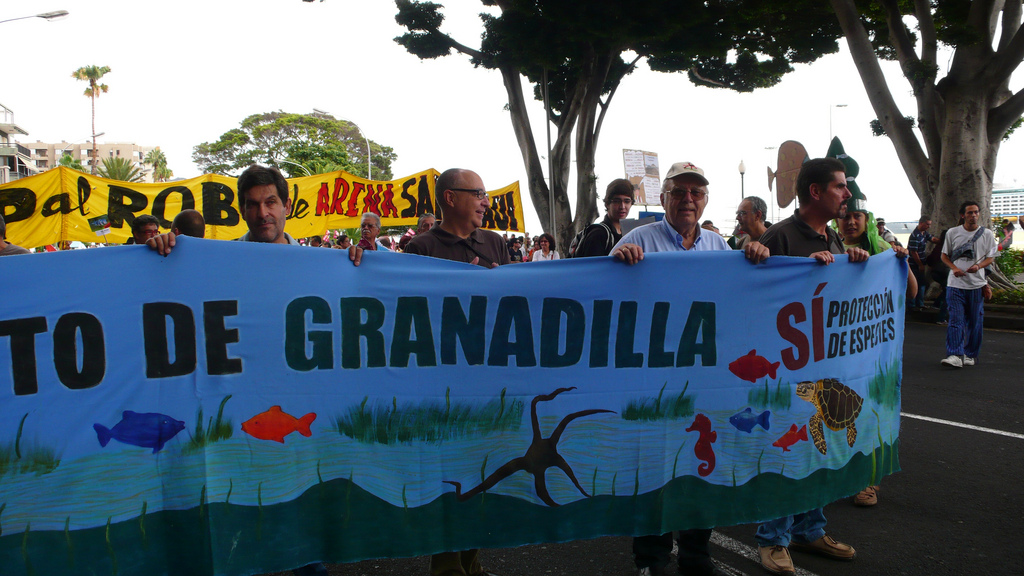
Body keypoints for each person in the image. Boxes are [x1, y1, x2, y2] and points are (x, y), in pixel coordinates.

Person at [612, 161, 768, 576]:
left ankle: (697, 555)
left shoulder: (719, 246)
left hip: (704, 379)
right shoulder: (638, 239)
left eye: (696, 193)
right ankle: (652, 559)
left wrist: (754, 255)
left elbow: (741, 296)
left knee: (704, 465)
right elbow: (604, 298)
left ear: (705, 200)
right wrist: (616, 262)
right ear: (663, 198)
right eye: (679, 192)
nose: (687, 199)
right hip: (655, 379)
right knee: (655, 469)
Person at [754, 157, 865, 576]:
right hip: (785, 372)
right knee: (786, 452)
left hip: (824, 370)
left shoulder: (834, 238)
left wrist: (853, 263)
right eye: (840, 186)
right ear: (815, 192)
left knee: (818, 451)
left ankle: (810, 530)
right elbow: (754, 299)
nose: (847, 194)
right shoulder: (779, 236)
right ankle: (773, 539)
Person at [406, 168, 507, 576]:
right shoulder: (421, 248)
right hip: (442, 384)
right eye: (478, 194)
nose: (486, 201)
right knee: (447, 474)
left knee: (483, 471)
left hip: (489, 380)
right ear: (450, 198)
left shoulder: (496, 243)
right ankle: (446, 565)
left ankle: (472, 559)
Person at [835, 187, 915, 507]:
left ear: (866, 218)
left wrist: (902, 262)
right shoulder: (828, 246)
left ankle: (866, 479)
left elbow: (910, 293)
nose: (851, 222)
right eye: (845, 216)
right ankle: (835, 474)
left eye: (857, 215)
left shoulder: (882, 248)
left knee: (868, 412)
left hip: (869, 348)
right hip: (836, 347)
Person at [939, 201, 998, 368]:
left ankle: (970, 354)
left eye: (976, 212)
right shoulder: (953, 232)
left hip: (976, 285)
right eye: (970, 213)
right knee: (955, 321)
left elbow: (991, 257)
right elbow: (944, 256)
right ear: (962, 215)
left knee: (974, 322)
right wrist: (954, 268)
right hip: (955, 285)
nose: (973, 215)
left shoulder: (986, 234)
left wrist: (978, 266)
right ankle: (955, 354)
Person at [574, 178, 635, 257]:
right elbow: (592, 266)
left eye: (627, 201)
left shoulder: (628, 233)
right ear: (607, 204)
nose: (622, 206)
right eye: (617, 201)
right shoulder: (598, 233)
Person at [907, 216, 938, 309]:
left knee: (921, 283)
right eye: (927, 224)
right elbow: (913, 252)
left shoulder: (924, 233)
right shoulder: (915, 236)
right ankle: (913, 305)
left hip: (921, 263)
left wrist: (943, 241)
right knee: (918, 284)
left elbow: (932, 239)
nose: (929, 226)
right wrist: (920, 264)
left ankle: (919, 304)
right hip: (914, 265)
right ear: (921, 223)